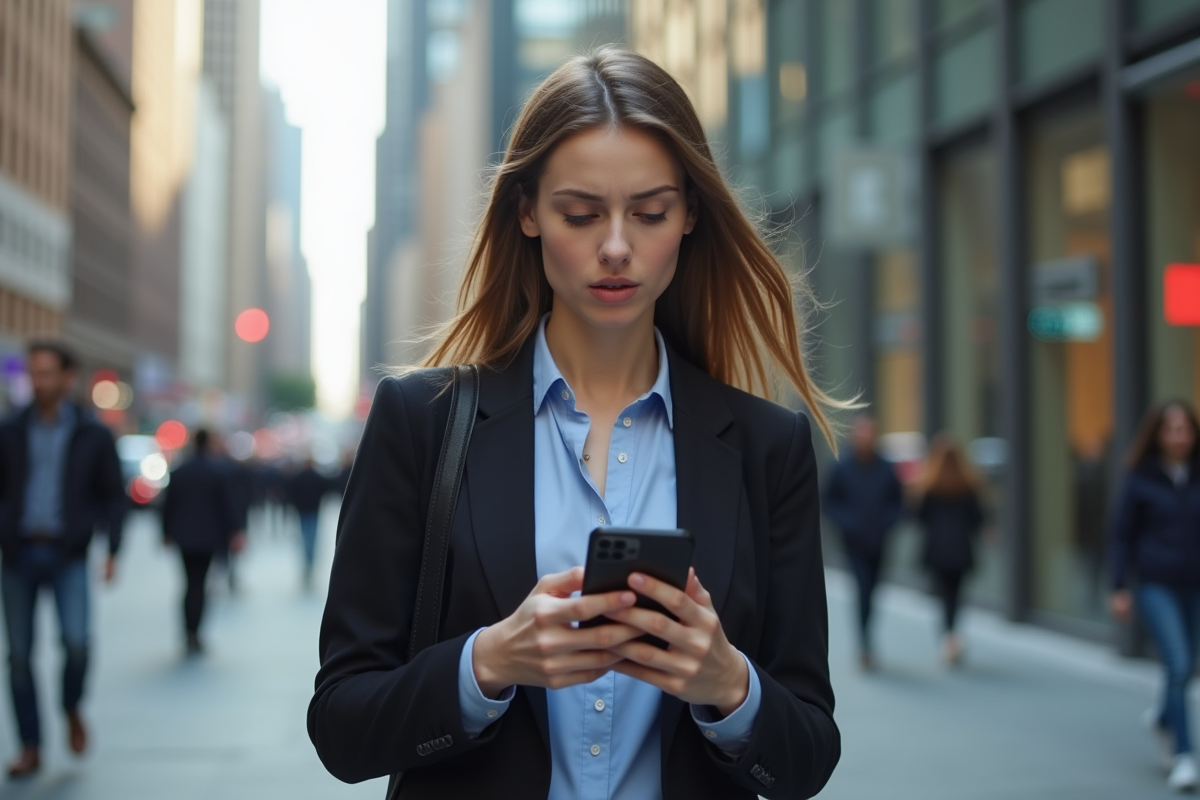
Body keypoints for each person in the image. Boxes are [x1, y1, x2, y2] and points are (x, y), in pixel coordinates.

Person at [309, 48, 842, 799]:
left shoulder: (767, 448)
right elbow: (341, 727)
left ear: (690, 214)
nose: (617, 245)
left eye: (650, 212)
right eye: (581, 213)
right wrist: (486, 664)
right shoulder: (418, 425)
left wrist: (729, 684)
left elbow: (807, 758)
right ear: (526, 212)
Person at [0, 341, 126, 778]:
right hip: (17, 553)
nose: (38, 382)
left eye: (47, 373)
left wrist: (113, 551)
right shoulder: (11, 427)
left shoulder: (92, 433)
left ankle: (71, 706)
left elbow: (113, 495)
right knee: (18, 655)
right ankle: (30, 745)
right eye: (33, 373)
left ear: (68, 378)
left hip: (68, 553)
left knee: (76, 643)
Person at [1110, 400, 1200, 793]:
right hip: (1155, 583)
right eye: (1171, 428)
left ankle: (1163, 717)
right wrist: (1119, 587)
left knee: (1189, 667)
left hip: (1195, 582)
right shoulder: (1140, 478)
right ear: (1158, 434)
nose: (1179, 436)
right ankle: (1183, 755)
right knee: (1177, 663)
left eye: (1185, 428)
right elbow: (1121, 535)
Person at [820, 414, 903, 671]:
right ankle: (865, 645)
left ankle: (867, 639)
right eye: (862, 433)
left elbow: (898, 502)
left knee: (873, 590)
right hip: (854, 542)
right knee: (863, 587)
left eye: (870, 433)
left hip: (878, 541)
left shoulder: (886, 468)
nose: (866, 438)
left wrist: (887, 522)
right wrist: (849, 522)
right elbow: (829, 502)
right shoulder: (842, 468)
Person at [161, 428, 243, 655]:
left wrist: (165, 533)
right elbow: (228, 505)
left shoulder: (179, 472)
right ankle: (195, 633)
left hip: (183, 537)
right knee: (200, 584)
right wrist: (236, 531)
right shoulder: (218, 472)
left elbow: (167, 506)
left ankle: (188, 630)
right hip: (208, 538)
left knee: (189, 584)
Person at [914, 434, 984, 667]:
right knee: (956, 595)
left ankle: (948, 637)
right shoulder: (968, 486)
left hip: (937, 549)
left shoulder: (930, 485)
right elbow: (977, 519)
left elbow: (920, 517)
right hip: (961, 548)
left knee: (943, 595)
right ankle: (953, 636)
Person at [286, 456, 328, 588]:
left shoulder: (298, 477)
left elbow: (292, 492)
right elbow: (324, 491)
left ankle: (307, 561)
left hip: (303, 511)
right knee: (312, 537)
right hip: (314, 510)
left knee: (304, 536)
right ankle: (310, 561)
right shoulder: (317, 476)